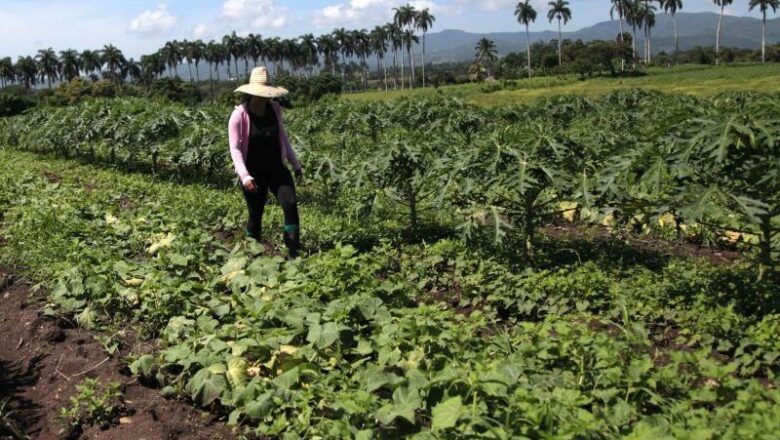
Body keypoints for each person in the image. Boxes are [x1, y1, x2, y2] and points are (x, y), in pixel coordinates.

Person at [228, 66, 303, 257]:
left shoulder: (274, 109)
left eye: (266, 94)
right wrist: (244, 176)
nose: (263, 97)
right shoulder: (239, 116)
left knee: (290, 203)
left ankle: (293, 252)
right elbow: (235, 149)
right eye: (259, 94)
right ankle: (253, 255)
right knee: (256, 213)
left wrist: (295, 164)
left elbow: (283, 137)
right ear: (251, 93)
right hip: (253, 173)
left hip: (276, 168)